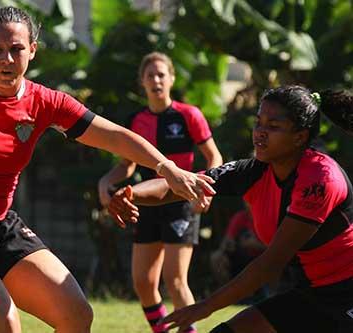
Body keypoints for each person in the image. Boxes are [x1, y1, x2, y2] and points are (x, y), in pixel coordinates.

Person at [0, 6, 216, 333]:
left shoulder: (45, 102)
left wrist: (167, 167)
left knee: (76, 315)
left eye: (16, 49)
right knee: (4, 323)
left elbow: (114, 136)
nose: (6, 59)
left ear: (32, 49)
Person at [108, 85, 353, 333]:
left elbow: (271, 263)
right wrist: (130, 193)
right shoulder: (254, 172)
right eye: (258, 123)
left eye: (273, 126)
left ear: (300, 136)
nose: (260, 133)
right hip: (309, 293)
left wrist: (205, 306)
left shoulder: (319, 179)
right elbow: (182, 184)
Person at [98, 52, 222, 333]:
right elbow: (126, 166)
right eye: (150, 75)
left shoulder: (189, 115)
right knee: (143, 281)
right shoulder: (135, 120)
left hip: (182, 202)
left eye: (161, 75)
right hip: (148, 204)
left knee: (175, 279)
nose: (156, 80)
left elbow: (214, 156)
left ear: (172, 78)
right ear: (142, 81)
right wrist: (106, 182)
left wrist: (206, 191)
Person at [210, 207, 268, 303]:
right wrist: (225, 248)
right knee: (217, 258)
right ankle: (227, 294)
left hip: (261, 256)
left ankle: (267, 293)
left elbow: (275, 248)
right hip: (240, 255)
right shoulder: (240, 217)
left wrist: (255, 244)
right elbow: (227, 240)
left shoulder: (265, 217)